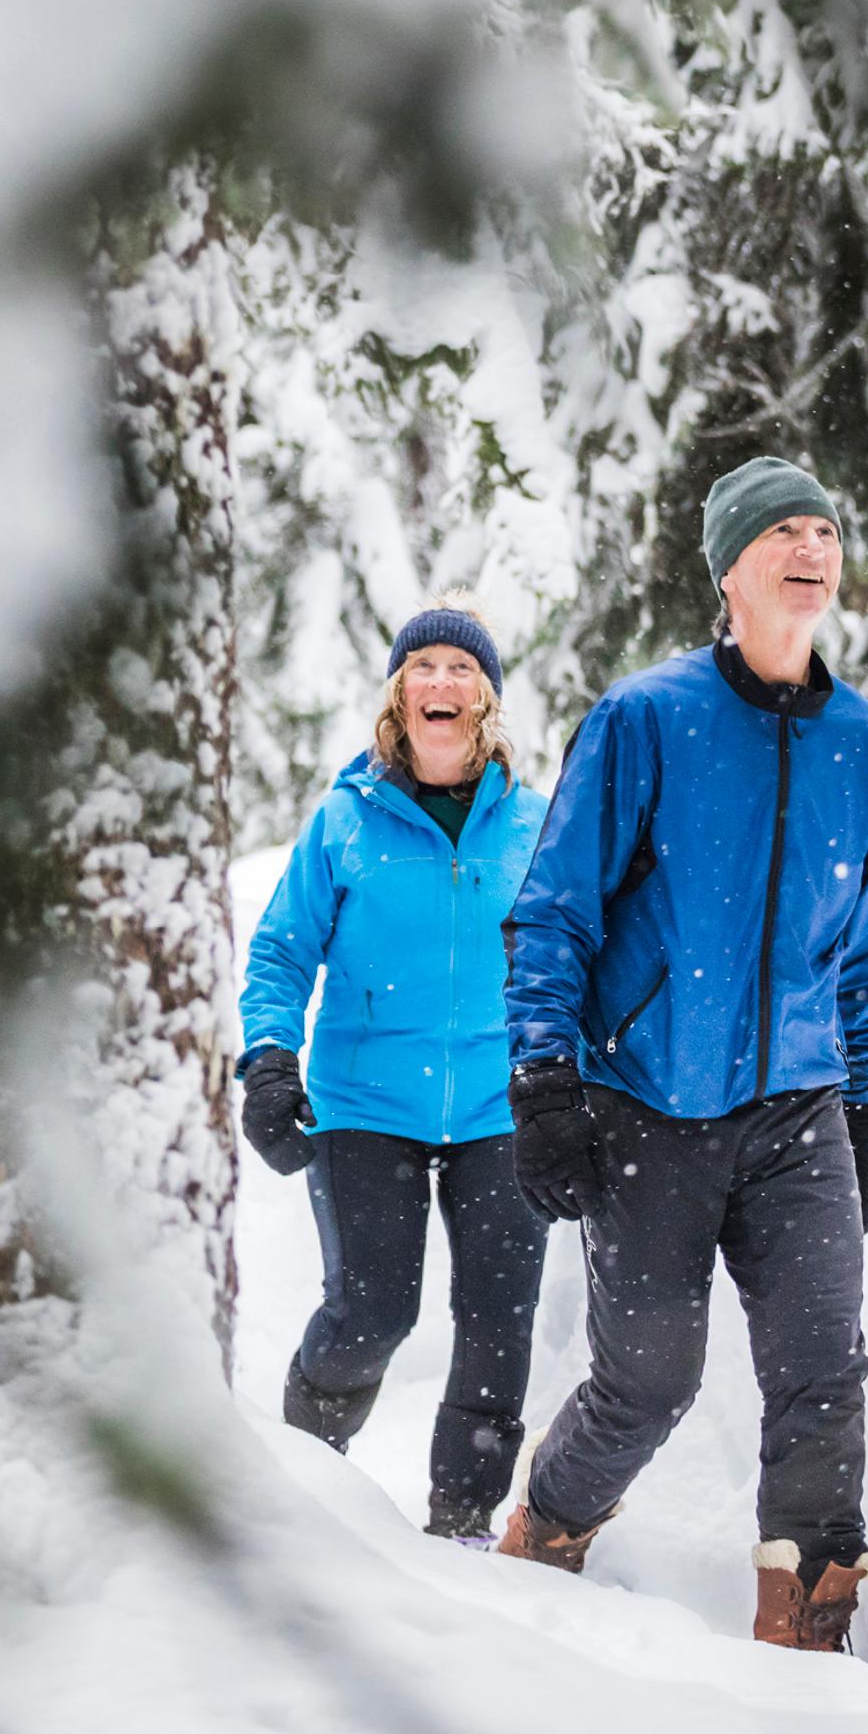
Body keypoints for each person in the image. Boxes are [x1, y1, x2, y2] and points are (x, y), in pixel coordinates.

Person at [498, 456, 868, 1653]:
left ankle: (808, 1634)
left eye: (824, 528)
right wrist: (543, 1079)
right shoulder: (646, 718)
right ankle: (547, 1529)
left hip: (799, 1110)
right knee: (649, 1380)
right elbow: (554, 914)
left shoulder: (861, 744)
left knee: (823, 1374)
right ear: (728, 568)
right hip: (645, 1105)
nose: (810, 547)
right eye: (782, 530)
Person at [238, 602, 550, 1544]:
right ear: (398, 693)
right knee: (370, 1312)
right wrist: (268, 1062)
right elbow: (281, 950)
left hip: (499, 1107)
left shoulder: (533, 824)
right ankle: (299, 1486)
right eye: (424, 666)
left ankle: (461, 1521)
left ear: (485, 697)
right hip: (367, 1102)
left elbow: (582, 952)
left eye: (462, 667)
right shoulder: (346, 820)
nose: (442, 682)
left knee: (498, 1321)